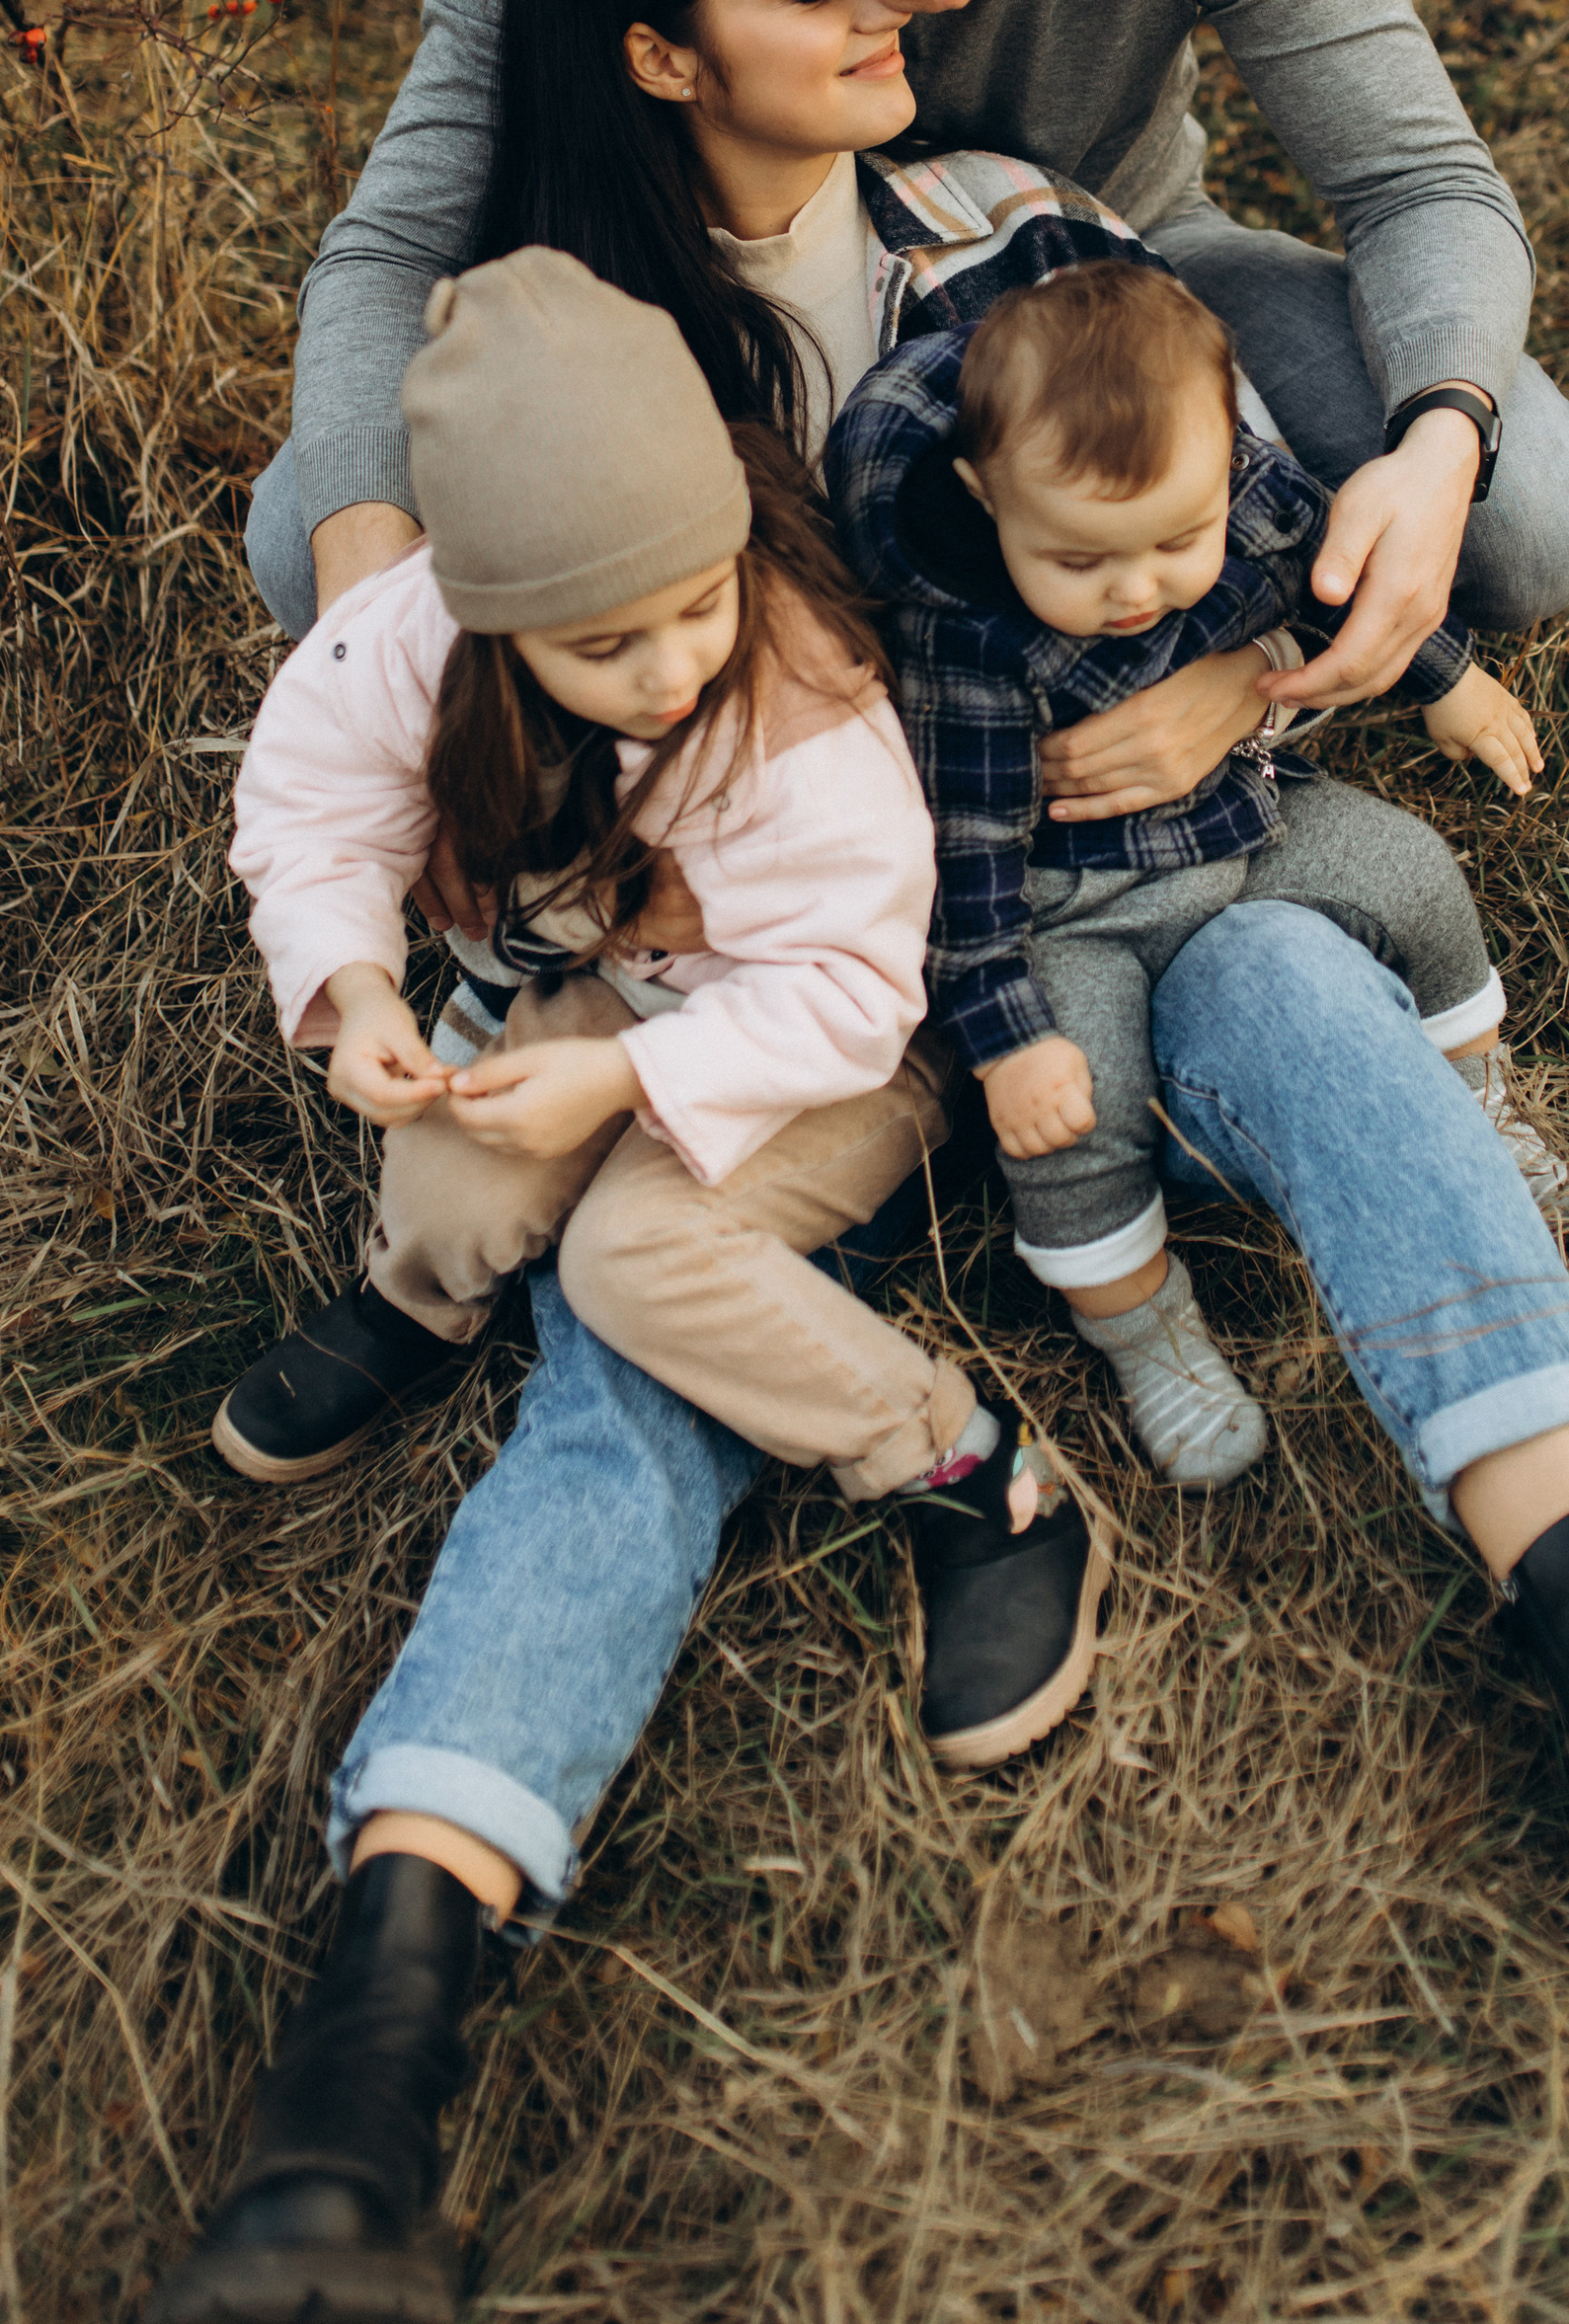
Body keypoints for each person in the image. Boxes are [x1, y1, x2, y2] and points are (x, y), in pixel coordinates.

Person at [151, 0, 1569, 2324]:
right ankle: (367, 2071)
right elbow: (377, 668)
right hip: (777, 1023)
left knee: (1291, 993)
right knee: (623, 1344)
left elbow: (1190, 476)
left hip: (1047, 927)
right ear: (669, 47)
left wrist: (1248, 667)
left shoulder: (1006, 231)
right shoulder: (577, 371)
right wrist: (426, 857)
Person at [247, 0, 1569, 783]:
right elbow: (398, 236)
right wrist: (376, 591)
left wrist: (1411, 479)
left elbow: (1419, 184)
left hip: (1102, 266)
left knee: (1520, 511)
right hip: (717, 282)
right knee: (324, 534)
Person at [218, 246, 1106, 1772]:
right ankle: (419, 1297)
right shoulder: (417, 638)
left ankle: (969, 1472)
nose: (672, 669)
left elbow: (851, 989)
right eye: (603, 648)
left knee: (636, 1260)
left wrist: (623, 1090)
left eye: (697, 607)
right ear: (489, 618)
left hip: (845, 1046)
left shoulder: (790, 709)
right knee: (446, 1165)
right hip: (627, 988)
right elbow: (311, 802)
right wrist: (358, 978)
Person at [827, 259, 1556, 1485]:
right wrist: (1009, 1043)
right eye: (1078, 560)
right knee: (1074, 1118)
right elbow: (961, 869)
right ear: (981, 495)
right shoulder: (967, 635)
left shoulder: (1245, 495)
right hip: (1070, 909)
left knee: (1416, 874)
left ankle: (1487, 1109)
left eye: (1178, 538)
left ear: (1228, 458)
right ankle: (1145, 1327)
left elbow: (1338, 580)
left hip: (1242, 819)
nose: (1137, 589)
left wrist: (1448, 677)